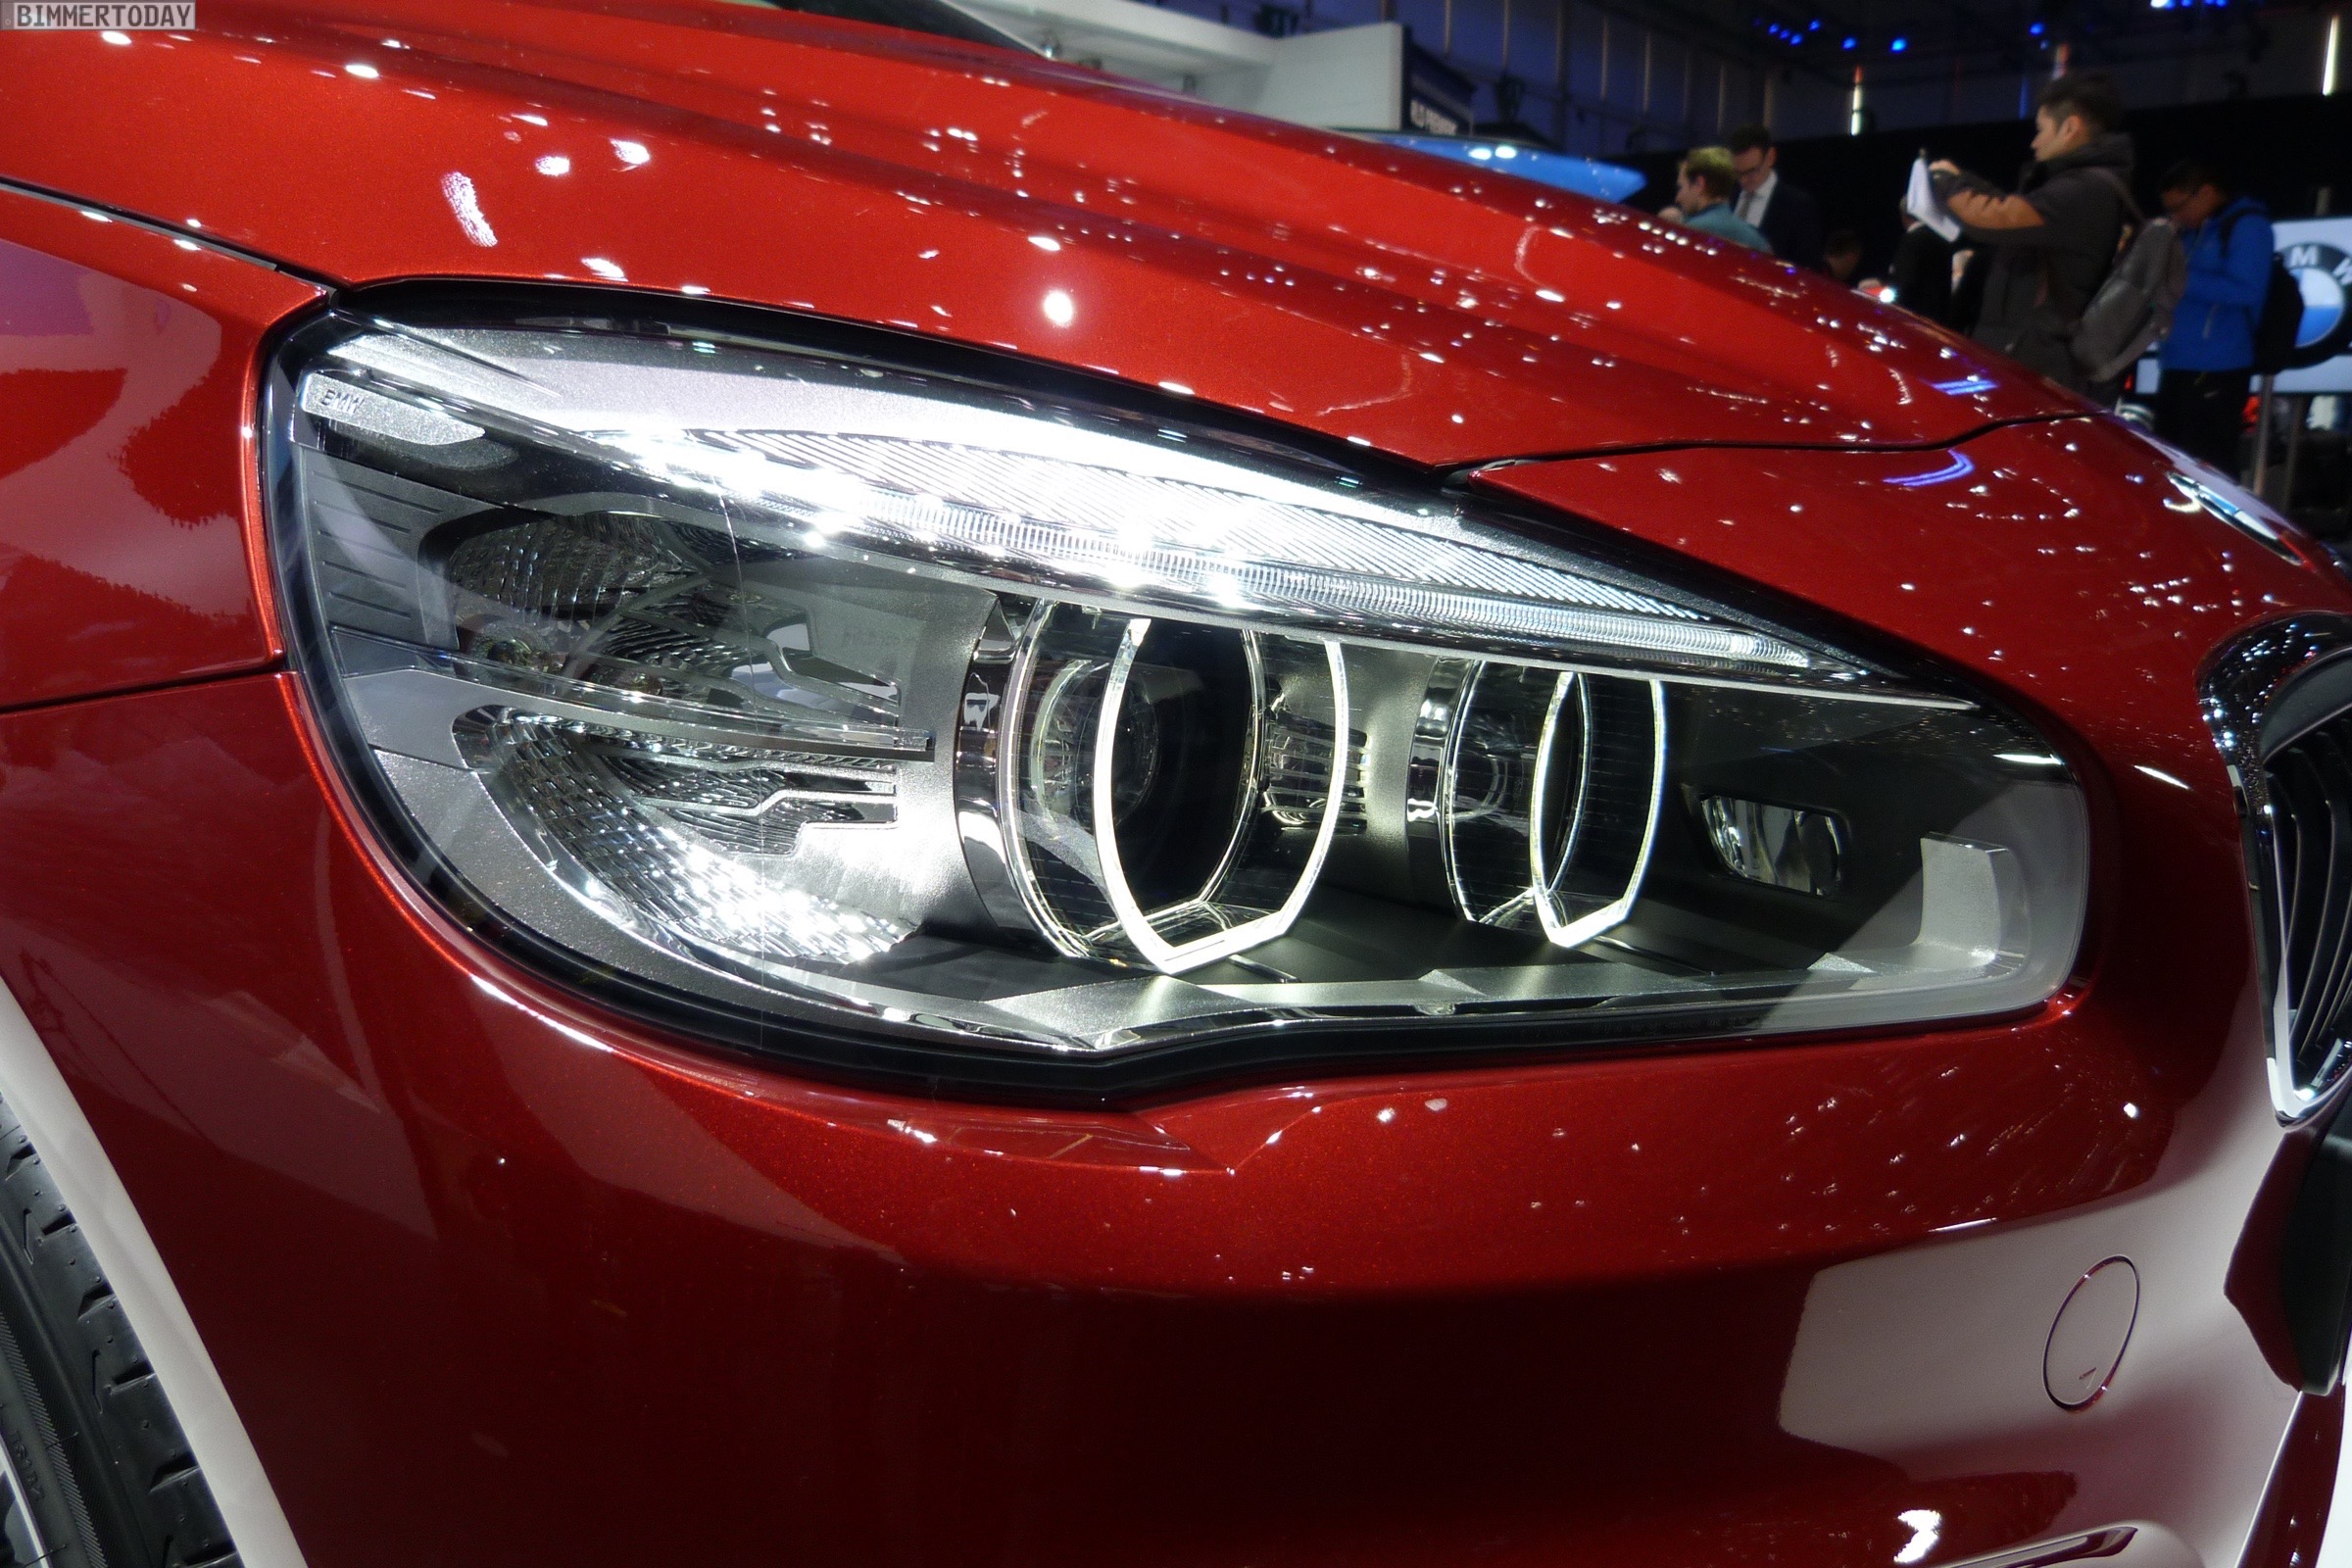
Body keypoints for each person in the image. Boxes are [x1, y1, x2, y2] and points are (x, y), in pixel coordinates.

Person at [1928, 73, 2136, 397]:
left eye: (2041, 130)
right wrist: (1963, 180)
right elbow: (2013, 208)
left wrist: (1948, 183)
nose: (2034, 142)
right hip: (2036, 352)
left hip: (2040, 360)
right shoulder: (2083, 186)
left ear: (2070, 128)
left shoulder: (2082, 191)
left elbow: (1993, 218)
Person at [2153, 158, 2272, 471]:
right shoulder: (2192, 231)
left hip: (2219, 365)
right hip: (2177, 362)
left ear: (2206, 193)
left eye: (2180, 207)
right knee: (2170, 462)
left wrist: (2178, 278)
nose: (2176, 216)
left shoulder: (2247, 226)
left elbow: (2247, 290)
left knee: (2208, 465)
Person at [1726, 124, 1825, 270]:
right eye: (1738, 173)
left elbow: (1808, 268)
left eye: (1752, 171)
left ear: (1770, 157)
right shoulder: (1727, 196)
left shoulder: (1798, 206)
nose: (1743, 180)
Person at [1662, 147, 1774, 254]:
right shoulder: (1758, 241)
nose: (1677, 198)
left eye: (1680, 187)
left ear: (1699, 184)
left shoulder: (1689, 234)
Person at [1888, 212, 1955, 324]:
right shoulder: (1943, 240)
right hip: (1936, 317)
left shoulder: (1912, 239)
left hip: (1911, 315)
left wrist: (1893, 310)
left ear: (1904, 215)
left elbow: (1905, 281)